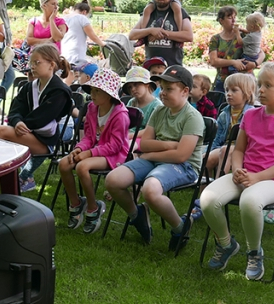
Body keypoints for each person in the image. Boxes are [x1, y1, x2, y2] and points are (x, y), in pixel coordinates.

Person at [200, 62, 274, 280]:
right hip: (245, 174)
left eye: (268, 85)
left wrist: (257, 177)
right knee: (208, 198)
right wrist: (237, 169)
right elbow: (238, 150)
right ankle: (226, 244)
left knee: (249, 200)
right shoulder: (250, 116)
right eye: (259, 84)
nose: (261, 90)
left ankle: (254, 252)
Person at [104, 64, 205, 251]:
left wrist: (151, 153)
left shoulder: (193, 117)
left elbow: (182, 155)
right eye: (162, 88)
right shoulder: (160, 111)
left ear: (185, 91)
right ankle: (137, 215)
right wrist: (167, 145)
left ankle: (180, 227)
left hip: (185, 167)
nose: (163, 93)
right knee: (113, 180)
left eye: (169, 89)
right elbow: (145, 143)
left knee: (150, 190)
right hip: (155, 159)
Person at [0, 44, 74, 192]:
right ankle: (9, 182)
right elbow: (14, 109)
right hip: (28, 134)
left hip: (45, 143)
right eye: (31, 63)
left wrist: (20, 123)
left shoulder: (60, 91)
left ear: (51, 65)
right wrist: (17, 121)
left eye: (37, 62)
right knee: (3, 135)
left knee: (1, 132)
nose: (32, 66)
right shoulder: (29, 87)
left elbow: (41, 118)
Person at [60, 68, 129, 235]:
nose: (93, 94)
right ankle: (76, 203)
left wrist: (88, 154)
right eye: (92, 90)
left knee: (82, 167)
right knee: (64, 164)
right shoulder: (92, 108)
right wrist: (78, 149)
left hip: (114, 154)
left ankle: (93, 207)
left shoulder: (120, 115)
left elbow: (115, 145)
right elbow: (89, 137)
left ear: (109, 94)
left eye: (97, 91)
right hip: (94, 150)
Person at [205, 72, 256, 177]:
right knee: (206, 159)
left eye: (234, 90)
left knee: (225, 150)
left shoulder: (252, 114)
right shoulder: (224, 114)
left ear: (247, 93)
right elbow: (217, 138)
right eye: (227, 90)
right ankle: (206, 191)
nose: (228, 93)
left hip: (243, 150)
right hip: (223, 147)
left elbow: (253, 140)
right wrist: (208, 152)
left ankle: (219, 187)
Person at [129, 0, 193, 67]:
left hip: (172, 67)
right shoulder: (149, 13)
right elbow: (132, 35)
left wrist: (162, 33)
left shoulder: (179, 12)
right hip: (151, 67)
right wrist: (150, 31)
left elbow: (189, 36)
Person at [207, 6, 249, 93]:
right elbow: (214, 61)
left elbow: (259, 52)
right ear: (221, 20)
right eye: (230, 18)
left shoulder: (243, 36)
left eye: (234, 17)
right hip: (222, 82)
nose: (233, 21)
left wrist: (255, 63)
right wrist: (234, 62)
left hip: (242, 81)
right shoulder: (216, 39)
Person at [61, 0, 106, 66]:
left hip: (64, 50)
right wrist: (102, 43)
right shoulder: (82, 18)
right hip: (76, 52)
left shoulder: (64, 18)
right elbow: (93, 36)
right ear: (84, 12)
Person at [122, 66, 160, 139]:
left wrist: (128, 136)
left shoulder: (156, 106)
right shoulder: (132, 102)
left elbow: (151, 131)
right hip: (126, 136)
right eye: (130, 87)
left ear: (147, 84)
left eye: (136, 84)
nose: (133, 89)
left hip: (143, 140)